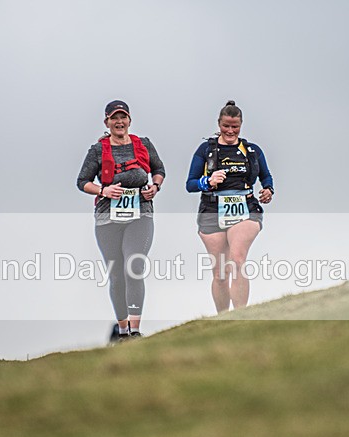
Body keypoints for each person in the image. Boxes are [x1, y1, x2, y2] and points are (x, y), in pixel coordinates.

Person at [77, 100, 166, 339]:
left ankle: (136, 330)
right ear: (106, 122)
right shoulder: (97, 150)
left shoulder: (143, 144)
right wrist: (103, 191)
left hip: (141, 213)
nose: (119, 122)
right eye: (114, 118)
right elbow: (82, 182)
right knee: (117, 274)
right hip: (108, 218)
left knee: (134, 267)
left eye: (123, 117)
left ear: (129, 120)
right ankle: (124, 330)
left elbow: (159, 169)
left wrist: (155, 187)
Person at [186, 100, 275, 312]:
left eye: (234, 126)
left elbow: (266, 176)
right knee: (220, 273)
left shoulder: (252, 150)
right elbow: (190, 184)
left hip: (245, 209)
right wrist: (206, 181)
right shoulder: (205, 149)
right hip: (211, 210)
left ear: (241, 125)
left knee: (237, 259)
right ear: (219, 124)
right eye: (226, 126)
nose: (230, 130)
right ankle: (223, 318)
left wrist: (268, 190)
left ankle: (241, 315)